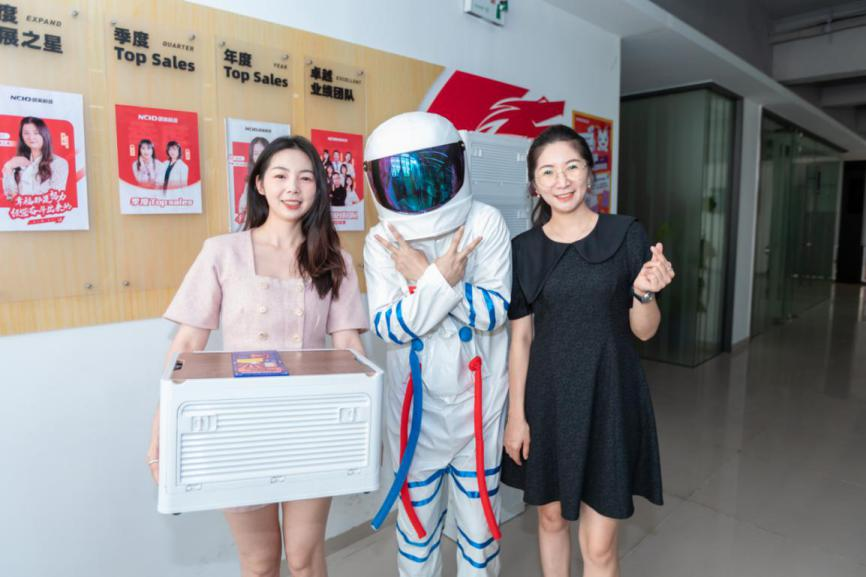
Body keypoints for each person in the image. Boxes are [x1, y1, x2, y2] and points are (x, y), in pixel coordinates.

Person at [147, 135, 368, 577]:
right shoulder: (221, 252)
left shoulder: (335, 259)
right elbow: (187, 347)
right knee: (260, 561)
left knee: (305, 559)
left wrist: (364, 425)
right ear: (261, 185)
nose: (293, 188)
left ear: (319, 188)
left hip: (312, 423)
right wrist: (161, 429)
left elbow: (348, 348)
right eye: (281, 176)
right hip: (239, 428)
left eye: (306, 178)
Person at [500, 125, 674, 577]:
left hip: (609, 395)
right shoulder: (523, 250)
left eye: (572, 167)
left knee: (598, 547)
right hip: (548, 399)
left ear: (590, 173)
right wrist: (516, 417)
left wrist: (644, 294)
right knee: (550, 518)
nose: (561, 181)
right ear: (534, 183)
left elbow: (644, 332)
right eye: (548, 171)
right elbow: (521, 339)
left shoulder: (626, 234)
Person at [363, 112, 511, 577]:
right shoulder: (382, 238)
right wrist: (446, 281)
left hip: (478, 406)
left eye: (429, 174)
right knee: (416, 529)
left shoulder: (485, 221)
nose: (418, 189)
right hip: (416, 408)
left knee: (479, 531)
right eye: (401, 178)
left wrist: (424, 278)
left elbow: (493, 312)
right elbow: (389, 327)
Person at [2, 116, 69, 200]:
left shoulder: (58, 163)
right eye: (26, 133)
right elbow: (10, 198)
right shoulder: (18, 162)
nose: (31, 137)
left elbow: (55, 198)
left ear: (44, 134)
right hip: (21, 208)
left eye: (36, 132)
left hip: (42, 208)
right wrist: (8, 167)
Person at [235, 137, 270, 232]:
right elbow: (244, 197)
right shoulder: (252, 174)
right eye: (256, 153)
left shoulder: (274, 173)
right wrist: (242, 205)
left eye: (262, 152)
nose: (259, 156)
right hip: (253, 218)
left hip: (268, 218)